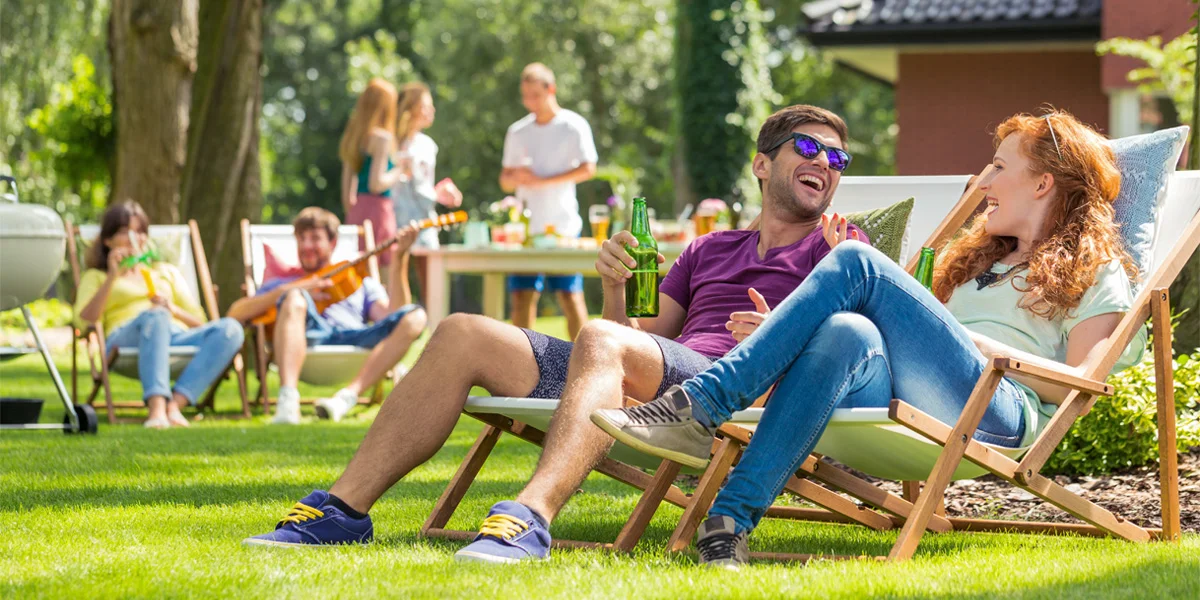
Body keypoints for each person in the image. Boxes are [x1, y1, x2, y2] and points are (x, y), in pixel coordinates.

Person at [242, 105, 868, 558]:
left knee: (599, 339)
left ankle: (530, 516)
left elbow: (856, 347)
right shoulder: (708, 249)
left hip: (732, 395)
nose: (826, 165)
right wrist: (617, 287)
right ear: (762, 164)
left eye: (837, 158)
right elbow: (634, 338)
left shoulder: (842, 249)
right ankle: (342, 511)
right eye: (809, 150)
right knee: (462, 330)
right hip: (659, 379)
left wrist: (783, 334)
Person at [591, 110, 1146, 569]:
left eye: (998, 168)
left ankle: (704, 404)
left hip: (994, 409)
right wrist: (796, 327)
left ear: (1043, 183)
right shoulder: (976, 260)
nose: (982, 184)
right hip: (911, 392)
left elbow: (1078, 384)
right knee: (845, 329)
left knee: (857, 260)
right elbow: (899, 340)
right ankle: (730, 523)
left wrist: (978, 348)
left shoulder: (1096, 271)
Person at [226, 207, 427, 424]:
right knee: (294, 298)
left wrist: (400, 259)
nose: (306, 246)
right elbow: (235, 314)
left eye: (315, 238)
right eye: (301, 239)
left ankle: (346, 398)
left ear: (332, 243)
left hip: (355, 338)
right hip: (309, 337)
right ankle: (288, 403)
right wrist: (299, 288)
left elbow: (393, 315)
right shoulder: (282, 285)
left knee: (416, 316)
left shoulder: (358, 281)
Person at [74, 200, 245, 429]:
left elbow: (201, 323)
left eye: (140, 231)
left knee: (231, 329)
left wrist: (172, 309)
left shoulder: (165, 272)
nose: (135, 238)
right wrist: (113, 276)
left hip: (173, 335)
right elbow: (83, 322)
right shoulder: (97, 276)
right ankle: (156, 409)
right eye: (125, 232)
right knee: (154, 317)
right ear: (108, 240)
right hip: (123, 341)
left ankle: (174, 406)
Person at [499, 63, 598, 340]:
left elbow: (588, 168)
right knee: (522, 296)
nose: (530, 102)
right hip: (526, 229)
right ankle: (520, 368)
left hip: (563, 226)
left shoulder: (573, 125)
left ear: (550, 89)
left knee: (569, 295)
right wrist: (517, 176)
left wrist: (543, 181)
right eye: (525, 95)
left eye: (535, 95)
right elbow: (505, 180)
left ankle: (584, 359)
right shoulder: (517, 131)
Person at [390, 81, 463, 306]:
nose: (431, 111)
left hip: (424, 220)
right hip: (395, 217)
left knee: (430, 280)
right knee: (395, 273)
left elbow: (424, 185)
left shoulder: (428, 145)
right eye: (425, 106)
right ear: (410, 109)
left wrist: (443, 193)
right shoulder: (391, 142)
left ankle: (434, 331)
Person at [340, 78, 408, 278]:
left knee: (359, 274)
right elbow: (376, 184)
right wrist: (400, 170)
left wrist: (356, 212)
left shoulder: (353, 138)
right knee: (385, 276)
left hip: (356, 212)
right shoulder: (382, 138)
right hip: (379, 211)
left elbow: (346, 194)